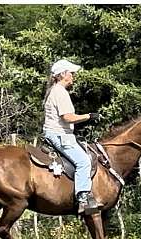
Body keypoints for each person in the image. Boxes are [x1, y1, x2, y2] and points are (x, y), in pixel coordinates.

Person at [42, 59, 101, 214]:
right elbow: (68, 117)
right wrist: (89, 116)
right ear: (63, 75)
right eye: (71, 73)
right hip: (59, 134)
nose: (73, 76)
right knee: (84, 161)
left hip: (56, 133)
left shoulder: (54, 90)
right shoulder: (60, 92)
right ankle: (83, 198)